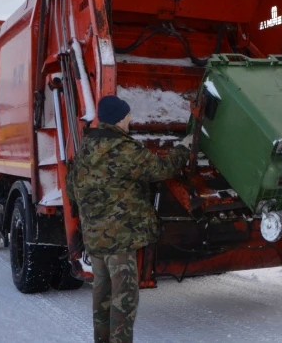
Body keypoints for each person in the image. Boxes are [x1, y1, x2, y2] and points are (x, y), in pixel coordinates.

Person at [66, 95, 192, 343]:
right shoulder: (124, 150)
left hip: (95, 239)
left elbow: (71, 190)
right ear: (118, 120)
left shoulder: (85, 148)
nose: (130, 119)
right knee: (124, 302)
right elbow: (161, 168)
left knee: (102, 297)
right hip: (120, 242)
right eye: (127, 116)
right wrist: (183, 148)